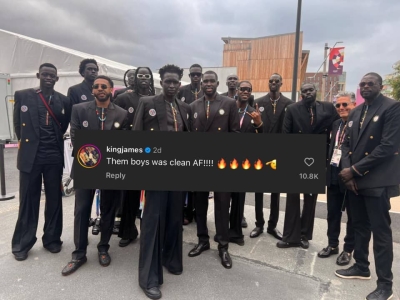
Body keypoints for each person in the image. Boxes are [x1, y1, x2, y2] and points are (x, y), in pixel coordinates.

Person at [335, 73, 400, 300]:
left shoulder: (391, 108)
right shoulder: (356, 112)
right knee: (359, 226)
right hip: (355, 182)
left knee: (381, 234)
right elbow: (346, 145)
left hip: (376, 181)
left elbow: (388, 146)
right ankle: (361, 266)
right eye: (362, 84)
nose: (365, 87)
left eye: (370, 84)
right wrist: (348, 174)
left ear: (380, 86)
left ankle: (385, 285)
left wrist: (354, 170)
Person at [134, 64, 191, 300]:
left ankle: (171, 259)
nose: (171, 85)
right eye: (167, 81)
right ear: (161, 82)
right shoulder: (147, 104)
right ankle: (149, 278)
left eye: (175, 82)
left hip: (177, 172)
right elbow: (136, 138)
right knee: (153, 222)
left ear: (180, 84)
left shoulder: (184, 107)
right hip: (155, 172)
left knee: (175, 218)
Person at [61, 75, 129, 276]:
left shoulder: (122, 114)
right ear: (92, 90)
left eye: (104, 86)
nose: (100, 89)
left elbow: (123, 143)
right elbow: (75, 137)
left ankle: (103, 247)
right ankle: (79, 253)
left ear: (110, 90)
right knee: (81, 210)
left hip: (110, 168)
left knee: (108, 209)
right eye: (96, 86)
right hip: (86, 165)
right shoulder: (79, 109)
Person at [12, 63, 71, 261]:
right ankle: (23, 243)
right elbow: (18, 126)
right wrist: (30, 145)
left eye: (52, 75)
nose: (48, 77)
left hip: (53, 156)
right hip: (31, 157)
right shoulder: (23, 95)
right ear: (38, 75)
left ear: (57, 78)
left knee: (54, 200)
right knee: (28, 201)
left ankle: (52, 239)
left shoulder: (64, 101)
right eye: (44, 74)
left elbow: (62, 126)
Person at [277, 83, 339, 249]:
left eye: (310, 90)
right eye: (304, 91)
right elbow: (285, 135)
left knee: (310, 199)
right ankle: (290, 236)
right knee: (292, 197)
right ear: (301, 94)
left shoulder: (328, 108)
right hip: (296, 156)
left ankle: (304, 235)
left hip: (318, 157)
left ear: (315, 91)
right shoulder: (292, 109)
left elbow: (338, 127)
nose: (307, 93)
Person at [188, 70, 240, 269]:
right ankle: (202, 240)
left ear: (218, 83)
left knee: (221, 205)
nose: (208, 84)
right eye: (205, 81)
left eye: (212, 81)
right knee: (199, 204)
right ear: (201, 84)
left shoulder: (228, 103)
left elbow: (235, 133)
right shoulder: (193, 106)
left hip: (221, 163)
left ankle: (223, 246)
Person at [114, 67, 156, 247]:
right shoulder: (124, 98)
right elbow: (115, 120)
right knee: (130, 195)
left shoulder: (156, 99)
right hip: (131, 151)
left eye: (147, 76)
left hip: (152, 152)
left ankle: (152, 230)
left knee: (152, 195)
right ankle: (128, 231)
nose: (144, 78)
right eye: (141, 76)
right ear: (135, 78)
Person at [251, 73, 294, 240]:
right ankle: (259, 224)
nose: (273, 83)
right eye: (271, 81)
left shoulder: (289, 104)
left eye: (277, 81)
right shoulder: (259, 102)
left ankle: (272, 225)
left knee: (275, 193)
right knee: (258, 191)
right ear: (268, 83)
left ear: (282, 83)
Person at [318, 91, 356, 266]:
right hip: (333, 174)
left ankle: (348, 250)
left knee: (352, 216)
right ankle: (332, 244)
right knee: (332, 213)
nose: (341, 108)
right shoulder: (335, 124)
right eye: (338, 105)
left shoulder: (358, 125)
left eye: (345, 104)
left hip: (351, 176)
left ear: (353, 105)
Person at [229, 81, 263, 246]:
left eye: (248, 89)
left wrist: (259, 124)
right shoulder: (229, 108)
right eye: (242, 89)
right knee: (222, 198)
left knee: (239, 198)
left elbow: (260, 137)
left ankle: (235, 234)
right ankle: (223, 230)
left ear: (251, 92)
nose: (245, 91)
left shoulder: (252, 112)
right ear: (237, 90)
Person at [177, 64, 204, 224]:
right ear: (189, 75)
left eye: (198, 74)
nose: (195, 77)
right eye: (193, 74)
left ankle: (195, 211)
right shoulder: (182, 91)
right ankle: (184, 212)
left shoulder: (206, 91)